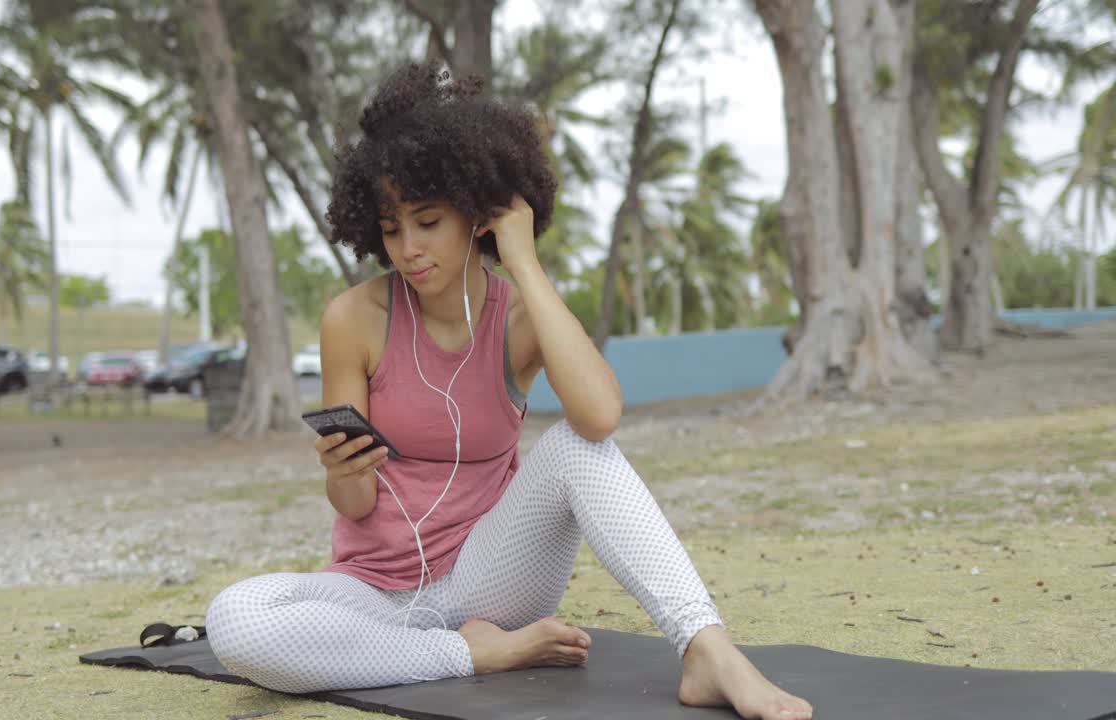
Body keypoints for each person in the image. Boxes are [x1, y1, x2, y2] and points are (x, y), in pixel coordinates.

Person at [205, 61, 813, 720]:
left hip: (492, 577)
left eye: (428, 220)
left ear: (477, 212)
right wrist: (341, 471)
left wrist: (522, 260)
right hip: (373, 588)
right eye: (390, 227)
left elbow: (602, 416)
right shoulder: (353, 319)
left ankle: (707, 650)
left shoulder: (518, 318)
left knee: (579, 449)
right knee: (238, 621)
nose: (408, 248)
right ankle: (470, 654)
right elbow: (354, 506)